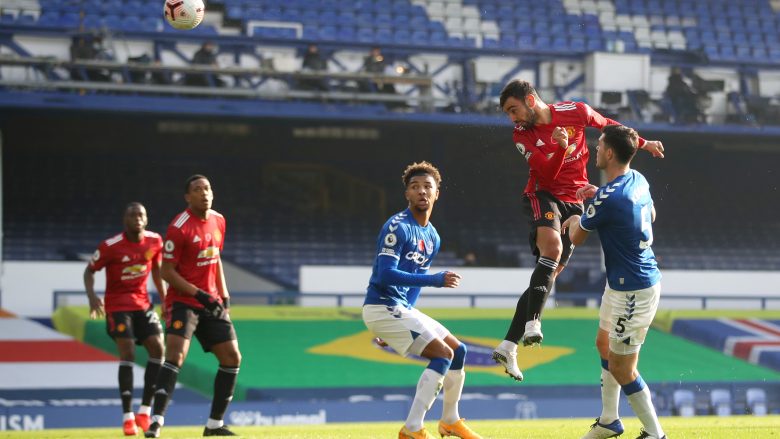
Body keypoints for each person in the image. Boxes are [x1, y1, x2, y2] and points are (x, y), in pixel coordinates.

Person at [491, 80, 665, 382]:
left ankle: (508, 345)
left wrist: (643, 142)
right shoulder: (522, 134)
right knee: (553, 249)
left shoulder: (575, 111)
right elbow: (545, 173)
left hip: (576, 199)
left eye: (513, 109)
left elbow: (609, 127)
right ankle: (533, 323)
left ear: (531, 100)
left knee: (548, 277)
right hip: (542, 195)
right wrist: (561, 148)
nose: (512, 118)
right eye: (508, 113)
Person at [362, 162, 482, 439]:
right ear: (407, 194)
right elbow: (386, 274)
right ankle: (412, 428)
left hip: (399, 309)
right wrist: (434, 280)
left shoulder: (432, 236)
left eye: (428, 186)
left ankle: (450, 420)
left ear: (437, 193)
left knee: (458, 351)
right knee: (442, 355)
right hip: (381, 305)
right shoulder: (397, 227)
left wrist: (404, 321)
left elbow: (412, 279)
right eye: (415, 187)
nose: (421, 192)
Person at [562, 124, 666, 439]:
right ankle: (609, 421)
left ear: (609, 153)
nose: (595, 150)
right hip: (623, 282)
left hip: (633, 289)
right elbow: (652, 215)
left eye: (599, 145)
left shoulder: (608, 198)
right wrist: (600, 199)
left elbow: (577, 237)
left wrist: (577, 216)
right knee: (603, 344)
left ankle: (655, 433)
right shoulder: (638, 180)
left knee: (622, 368)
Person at [145, 175, 240, 438]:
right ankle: (156, 422)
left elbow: (215, 258)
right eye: (197, 190)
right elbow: (166, 271)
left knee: (232, 358)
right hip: (184, 302)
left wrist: (224, 295)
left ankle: (214, 425)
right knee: (175, 356)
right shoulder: (179, 226)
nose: (204, 193)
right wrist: (200, 294)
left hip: (211, 301)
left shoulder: (219, 220)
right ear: (188, 197)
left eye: (207, 188)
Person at [84, 202, 165, 436]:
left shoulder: (155, 241)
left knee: (158, 349)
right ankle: (128, 417)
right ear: (125, 219)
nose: (137, 218)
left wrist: (165, 298)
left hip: (143, 304)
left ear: (146, 219)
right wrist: (91, 297)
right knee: (127, 351)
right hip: (118, 305)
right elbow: (89, 270)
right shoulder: (111, 246)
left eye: (141, 214)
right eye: (132, 214)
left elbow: (157, 270)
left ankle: (144, 412)